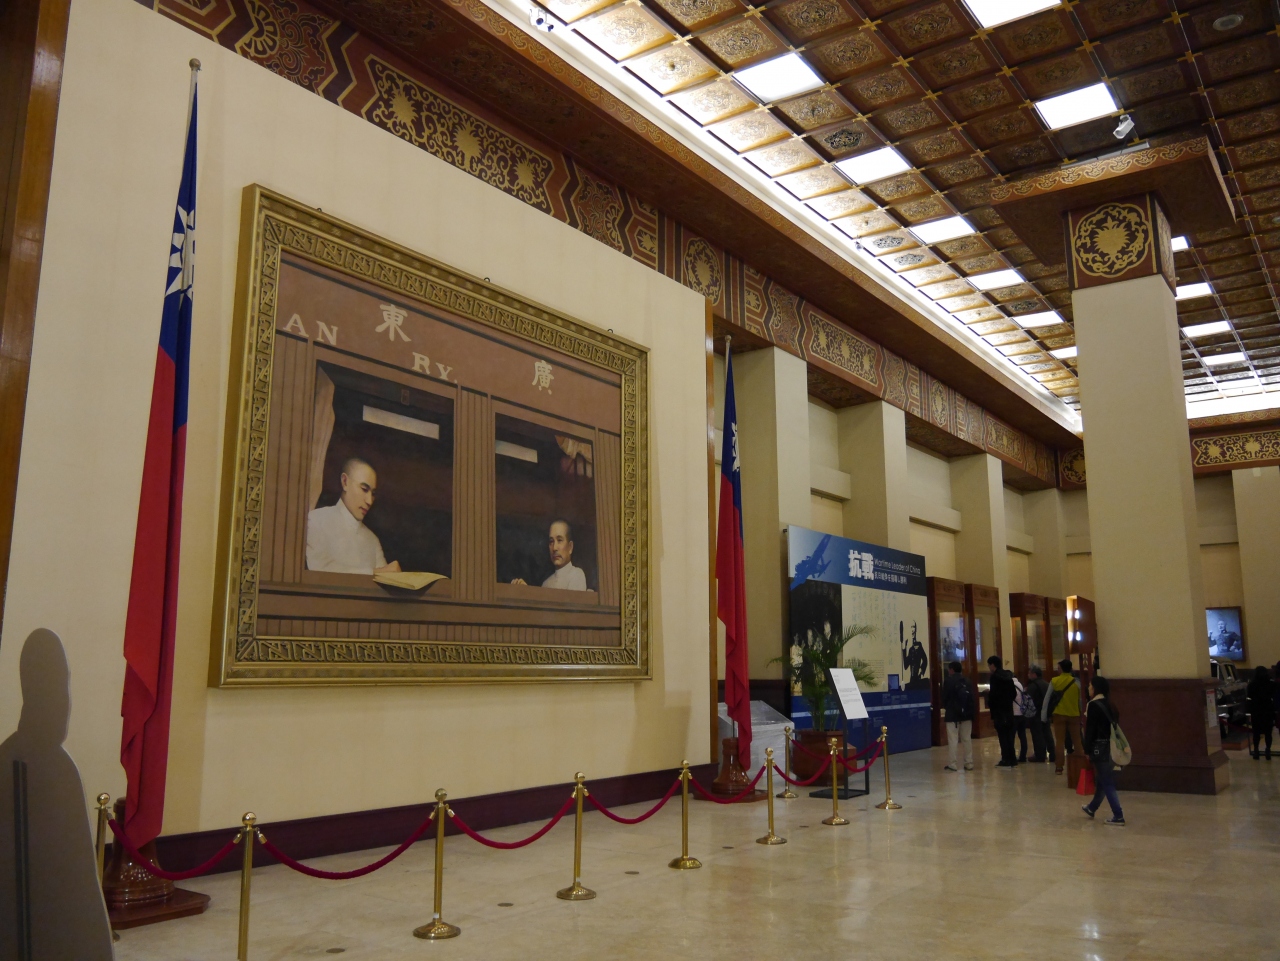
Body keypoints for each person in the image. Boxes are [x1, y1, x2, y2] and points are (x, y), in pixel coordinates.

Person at [305, 457, 400, 575]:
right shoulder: (315, 520)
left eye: (373, 493)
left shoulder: (372, 540)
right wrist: (375, 572)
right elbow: (319, 570)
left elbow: (386, 575)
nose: (369, 501)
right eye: (364, 489)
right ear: (345, 482)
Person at [1081, 675, 1125, 825]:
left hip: (1099, 748)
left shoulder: (1093, 705)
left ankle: (1118, 815)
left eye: (1090, 685)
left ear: (1095, 688)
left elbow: (1090, 730)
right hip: (1112, 747)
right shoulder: (1110, 704)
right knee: (1102, 780)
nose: (1088, 688)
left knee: (1106, 782)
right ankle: (1092, 807)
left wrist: (1087, 750)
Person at [511, 519, 588, 590]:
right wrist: (526, 591)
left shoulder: (576, 575)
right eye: (551, 541)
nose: (554, 548)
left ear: (570, 547)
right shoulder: (546, 584)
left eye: (559, 540)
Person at [1044, 658, 1081, 775]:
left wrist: (1044, 716)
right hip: (1074, 714)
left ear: (1061, 669)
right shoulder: (1076, 682)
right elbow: (1080, 700)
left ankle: (1059, 767)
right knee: (1077, 740)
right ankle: (1081, 766)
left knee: (1060, 741)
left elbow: (1047, 699)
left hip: (1059, 714)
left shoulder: (1054, 681)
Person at [941, 660, 975, 771]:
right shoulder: (967, 681)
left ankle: (953, 764)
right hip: (967, 715)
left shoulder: (948, 681)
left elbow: (945, 698)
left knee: (953, 740)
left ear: (951, 670)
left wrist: (948, 707)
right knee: (967, 739)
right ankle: (969, 763)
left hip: (952, 715)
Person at [986, 655, 1019, 768]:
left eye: (989, 665)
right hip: (1009, 710)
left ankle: (1005, 758)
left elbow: (993, 695)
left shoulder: (995, 677)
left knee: (1002, 735)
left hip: (999, 711)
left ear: (993, 665)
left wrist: (991, 703)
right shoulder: (1008, 676)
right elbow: (1013, 693)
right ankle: (1012, 758)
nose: (989, 668)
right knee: (1010, 735)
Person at [1246, 665, 1275, 760]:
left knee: (1256, 732)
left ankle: (1256, 750)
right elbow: (1273, 695)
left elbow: (1249, 695)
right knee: (1268, 733)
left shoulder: (1252, 685)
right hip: (1268, 709)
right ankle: (1268, 750)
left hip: (1256, 709)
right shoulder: (1270, 684)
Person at [1025, 665, 1051, 763]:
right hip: (1046, 713)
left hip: (1035, 714)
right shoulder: (1046, 684)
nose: (1028, 675)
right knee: (1047, 734)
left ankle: (1040, 755)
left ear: (1034, 674)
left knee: (1037, 735)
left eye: (1029, 673)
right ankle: (1052, 753)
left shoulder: (1033, 685)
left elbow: (1028, 700)